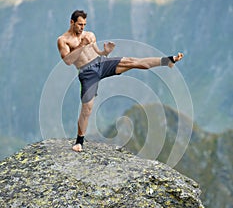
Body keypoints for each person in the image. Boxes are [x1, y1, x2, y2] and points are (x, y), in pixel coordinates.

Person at [57, 10, 184, 152]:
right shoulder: (63, 40)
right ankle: (79, 141)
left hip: (101, 63)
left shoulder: (89, 35)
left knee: (133, 61)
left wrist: (106, 52)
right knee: (87, 108)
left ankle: (168, 60)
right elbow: (68, 61)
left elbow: (97, 53)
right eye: (80, 24)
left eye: (84, 24)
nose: (82, 28)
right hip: (87, 73)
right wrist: (81, 46)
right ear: (72, 22)